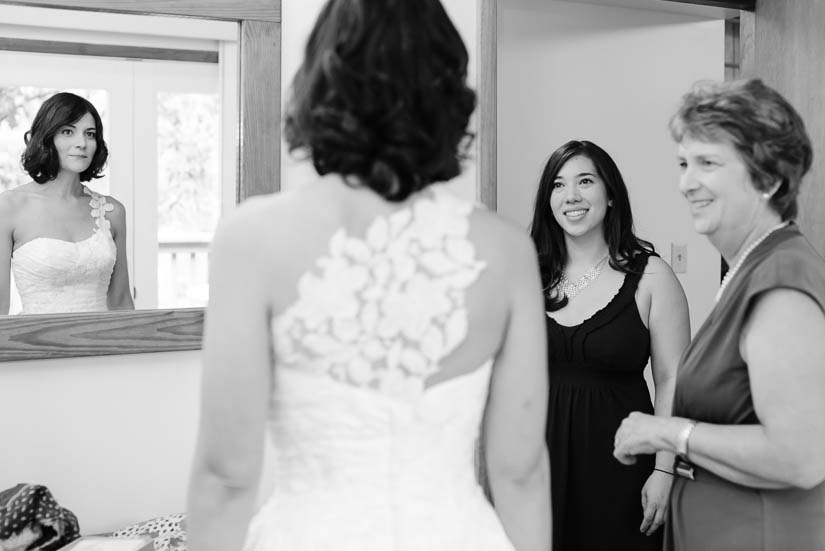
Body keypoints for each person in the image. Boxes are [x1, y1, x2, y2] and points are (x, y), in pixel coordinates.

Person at [186, 1, 551, 551]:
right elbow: (520, 473)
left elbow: (227, 474)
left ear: (319, 85)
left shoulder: (251, 238)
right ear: (446, 94)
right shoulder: (505, 251)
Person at [613, 78, 825, 550]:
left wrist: (671, 432)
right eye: (684, 164)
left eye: (708, 163)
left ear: (769, 179)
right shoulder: (748, 270)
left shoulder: (781, 281)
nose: (686, 183)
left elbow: (801, 458)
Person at [529, 140, 690, 550]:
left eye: (586, 181)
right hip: (540, 464)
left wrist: (665, 471)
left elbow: (673, 380)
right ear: (548, 201)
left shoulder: (652, 277)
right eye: (559, 185)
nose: (572, 196)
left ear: (611, 194)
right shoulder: (529, 274)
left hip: (623, 466)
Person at [0, 92, 133, 314]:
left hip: (104, 346)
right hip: (34, 346)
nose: (82, 143)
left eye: (90, 134)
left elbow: (121, 302)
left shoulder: (113, 212)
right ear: (46, 137)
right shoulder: (9, 207)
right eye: (68, 132)